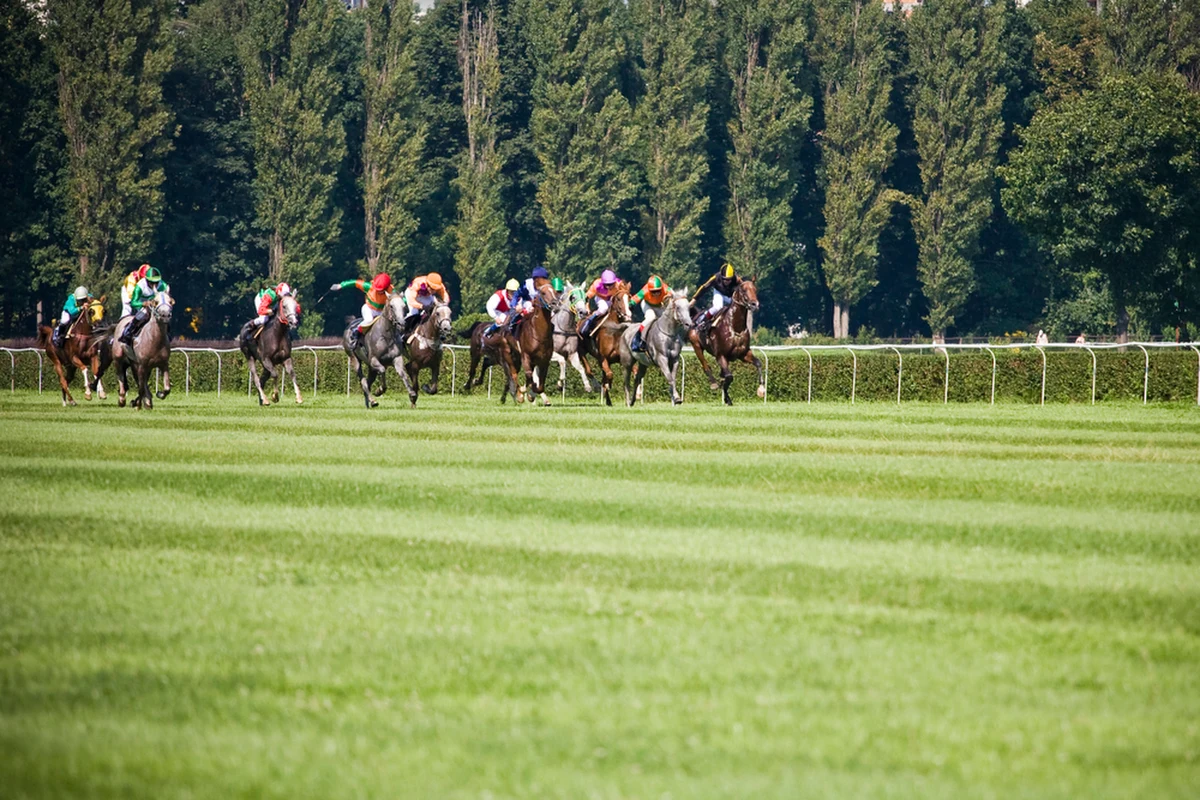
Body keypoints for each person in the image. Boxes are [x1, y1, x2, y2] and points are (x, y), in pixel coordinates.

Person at [330, 273, 391, 350]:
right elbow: (355, 282)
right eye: (377, 290)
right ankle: (356, 332)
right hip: (369, 309)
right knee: (369, 320)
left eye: (381, 291)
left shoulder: (391, 290)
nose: (379, 292)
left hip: (382, 311)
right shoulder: (368, 286)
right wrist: (341, 285)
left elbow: (398, 299)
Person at [119, 267, 170, 344]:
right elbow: (133, 302)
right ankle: (127, 333)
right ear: (147, 280)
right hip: (142, 304)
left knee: (165, 316)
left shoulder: (163, 285)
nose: (155, 285)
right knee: (141, 316)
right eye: (152, 282)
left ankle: (168, 335)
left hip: (156, 305)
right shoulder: (140, 286)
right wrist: (143, 304)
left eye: (156, 282)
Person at [692, 263, 740, 333]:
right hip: (719, 292)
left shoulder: (736, 279)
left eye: (729, 280)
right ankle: (702, 321)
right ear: (721, 277)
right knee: (718, 307)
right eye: (725, 279)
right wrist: (694, 299)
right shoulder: (716, 277)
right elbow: (704, 287)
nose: (727, 281)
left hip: (730, 296)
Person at [629, 275, 669, 353]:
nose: (656, 293)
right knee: (651, 317)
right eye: (653, 292)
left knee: (666, 320)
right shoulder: (645, 290)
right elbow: (636, 297)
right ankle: (637, 339)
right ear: (649, 290)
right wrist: (631, 303)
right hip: (647, 305)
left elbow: (675, 294)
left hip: (659, 305)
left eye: (658, 291)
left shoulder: (666, 288)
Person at [580, 269, 621, 337]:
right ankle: (590, 321)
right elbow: (587, 297)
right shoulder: (597, 284)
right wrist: (587, 308)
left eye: (611, 284)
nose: (609, 287)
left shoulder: (619, 283)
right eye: (607, 285)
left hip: (612, 298)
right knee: (604, 308)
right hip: (601, 298)